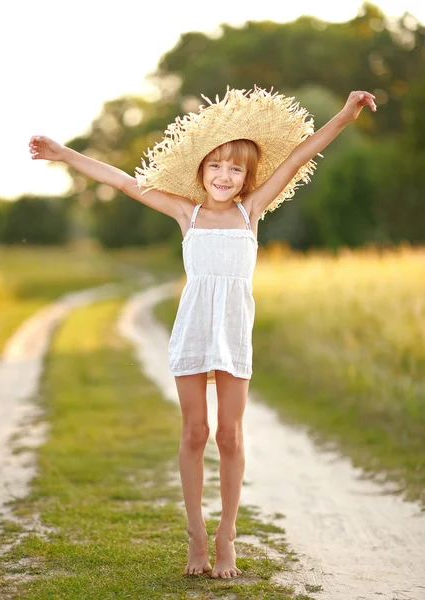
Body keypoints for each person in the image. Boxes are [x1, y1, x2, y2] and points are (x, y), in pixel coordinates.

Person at [29, 86, 376, 579]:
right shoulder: (185, 213)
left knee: (230, 435)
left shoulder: (249, 210)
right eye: (216, 166)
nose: (224, 175)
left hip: (234, 333)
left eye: (235, 168)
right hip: (193, 330)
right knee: (195, 433)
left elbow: (303, 153)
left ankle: (226, 536)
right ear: (201, 172)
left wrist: (344, 114)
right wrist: (63, 154)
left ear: (247, 178)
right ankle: (195, 534)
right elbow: (125, 182)